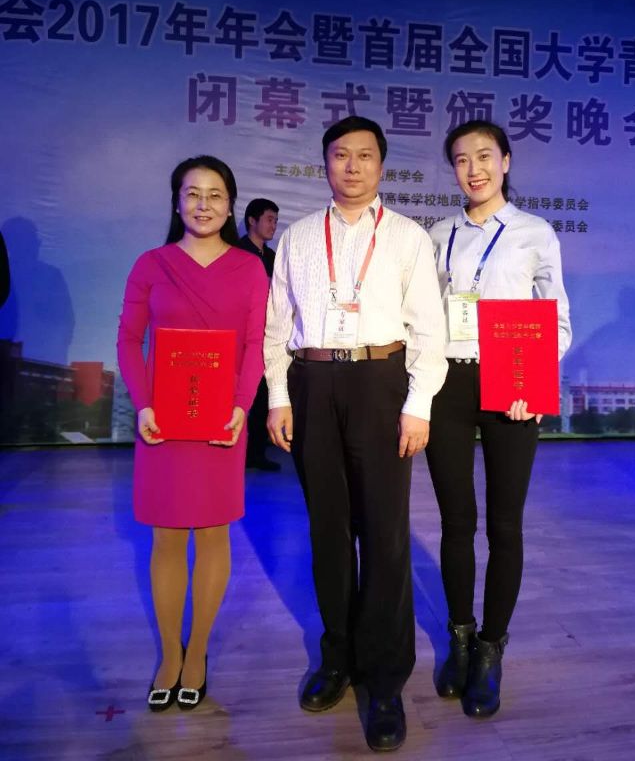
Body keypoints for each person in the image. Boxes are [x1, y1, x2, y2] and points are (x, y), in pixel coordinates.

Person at [264, 116, 447, 752]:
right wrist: (279, 396)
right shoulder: (297, 236)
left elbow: (429, 330)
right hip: (313, 381)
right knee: (329, 531)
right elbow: (276, 324)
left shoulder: (407, 237)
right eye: (340, 155)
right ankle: (337, 656)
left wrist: (418, 404)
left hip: (380, 381)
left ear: (381, 166)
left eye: (364, 156)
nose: (352, 166)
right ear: (325, 163)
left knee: (387, 536)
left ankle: (386, 680)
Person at [426, 121, 571, 719]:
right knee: (456, 521)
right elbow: (424, 316)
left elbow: (557, 320)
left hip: (512, 384)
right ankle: (460, 637)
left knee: (505, 525)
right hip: (449, 384)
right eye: (462, 160)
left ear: (506, 161)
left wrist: (532, 382)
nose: (474, 169)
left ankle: (491, 648)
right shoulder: (437, 235)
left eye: (484, 156)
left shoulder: (535, 232)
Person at [117, 155, 268, 712]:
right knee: (165, 537)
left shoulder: (249, 268)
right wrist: (143, 404)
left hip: (220, 420)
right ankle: (169, 654)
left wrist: (241, 407)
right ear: (177, 201)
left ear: (230, 206)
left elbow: (255, 344)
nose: (203, 204)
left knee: (212, 534)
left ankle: (197, 651)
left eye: (215, 195)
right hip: (164, 421)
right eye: (192, 193)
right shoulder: (151, 263)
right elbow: (129, 339)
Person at [239, 198, 280, 471]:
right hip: (241, 333)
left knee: (263, 394)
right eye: (269, 219)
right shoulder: (237, 252)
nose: (273, 225)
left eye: (275, 220)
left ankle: (256, 453)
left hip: (266, 333)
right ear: (252, 221)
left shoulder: (273, 257)